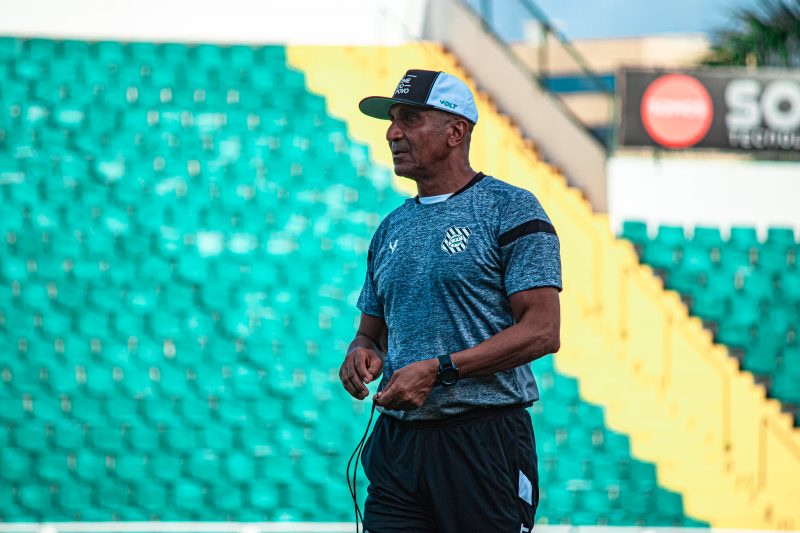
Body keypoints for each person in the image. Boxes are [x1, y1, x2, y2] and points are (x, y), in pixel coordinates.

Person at [339, 69, 562, 532]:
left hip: (483, 439)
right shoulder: (390, 229)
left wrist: (441, 369)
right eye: (393, 120)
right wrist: (359, 354)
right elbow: (370, 333)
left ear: (456, 131)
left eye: (411, 119)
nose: (392, 132)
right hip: (399, 444)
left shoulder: (510, 208)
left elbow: (542, 330)